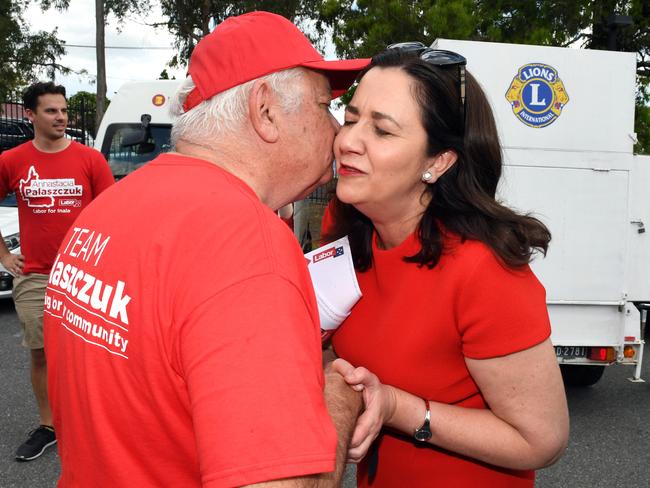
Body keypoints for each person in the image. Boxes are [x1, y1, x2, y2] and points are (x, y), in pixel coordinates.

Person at [43, 11, 369, 488]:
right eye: (325, 107)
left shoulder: (110, 206)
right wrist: (340, 399)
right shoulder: (247, 243)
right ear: (266, 111)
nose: (338, 128)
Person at [322, 43, 569, 487]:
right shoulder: (345, 232)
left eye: (382, 130)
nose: (348, 141)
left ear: (438, 162)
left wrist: (398, 408)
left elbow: (542, 440)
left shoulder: (484, 270)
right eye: (352, 118)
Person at [0, 81, 114, 462]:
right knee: (41, 353)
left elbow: (113, 215)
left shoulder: (90, 159)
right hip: (34, 274)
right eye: (51, 111)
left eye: (64, 110)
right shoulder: (12, 161)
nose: (61, 117)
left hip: (84, 273)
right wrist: (3, 255)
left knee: (92, 351)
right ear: (30, 115)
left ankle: (94, 421)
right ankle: (49, 425)